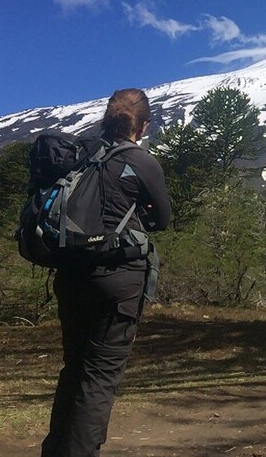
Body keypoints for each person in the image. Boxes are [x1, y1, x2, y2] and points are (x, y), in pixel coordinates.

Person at [41, 88, 171, 457]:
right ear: (143, 125)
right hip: (118, 281)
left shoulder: (82, 155)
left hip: (70, 275)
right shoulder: (140, 161)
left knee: (74, 368)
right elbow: (162, 219)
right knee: (99, 377)